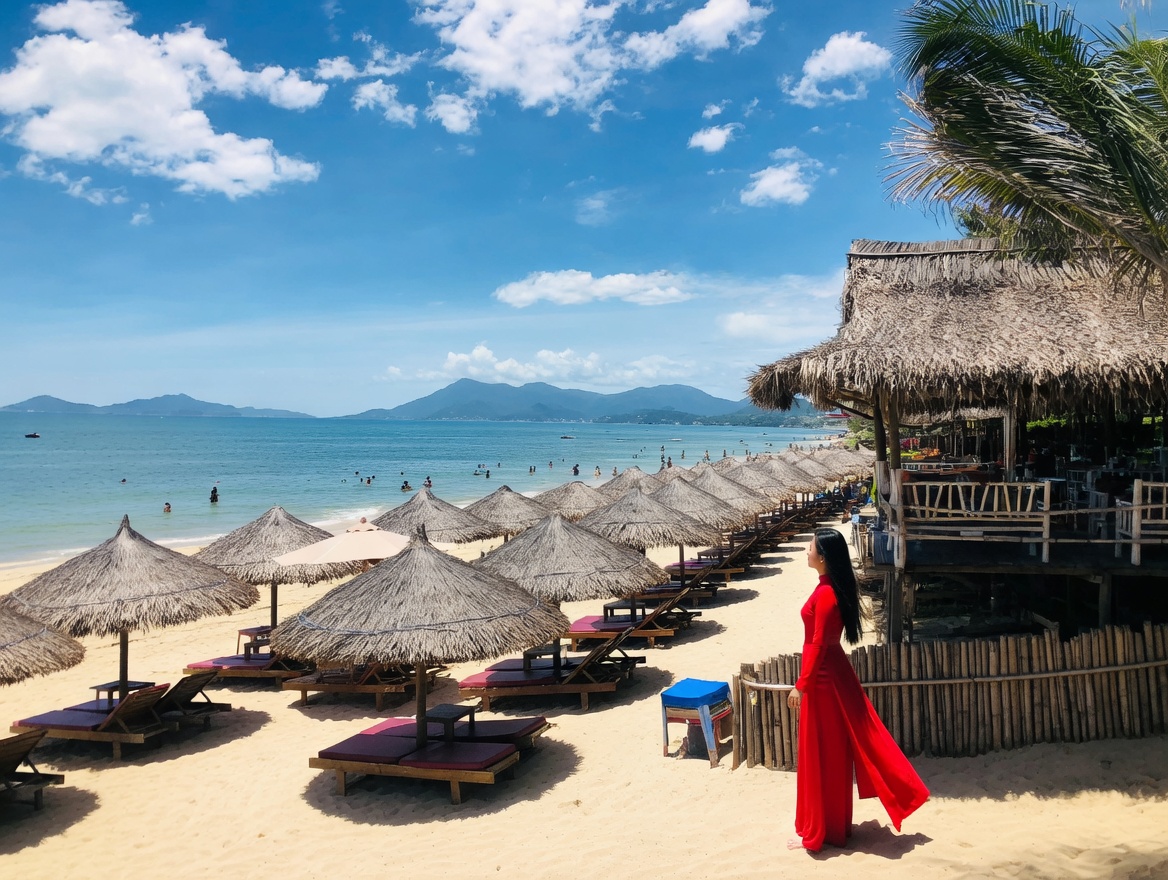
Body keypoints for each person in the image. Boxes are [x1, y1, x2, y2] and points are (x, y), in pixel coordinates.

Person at [787, 528, 928, 852]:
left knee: (824, 755)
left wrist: (802, 685)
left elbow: (819, 643)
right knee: (830, 755)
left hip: (824, 682)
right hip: (830, 676)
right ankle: (829, 827)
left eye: (809, 547)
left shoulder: (826, 595)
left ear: (822, 557)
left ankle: (822, 831)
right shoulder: (827, 589)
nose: (806, 552)